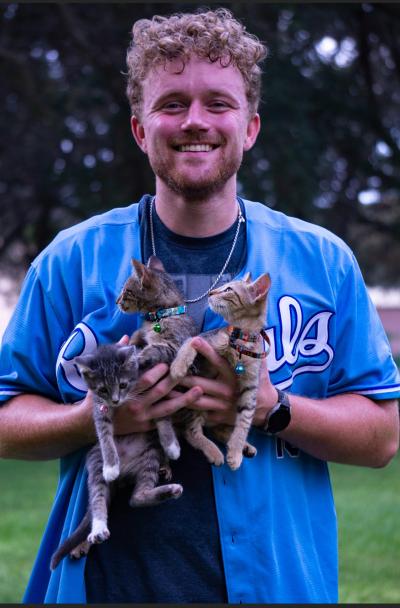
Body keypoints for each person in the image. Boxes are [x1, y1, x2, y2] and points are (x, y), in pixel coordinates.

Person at [0, 8, 399, 604]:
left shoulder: (324, 262)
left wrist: (273, 407)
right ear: (140, 128)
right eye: (171, 104)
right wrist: (101, 417)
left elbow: (382, 436)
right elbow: (6, 417)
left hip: (276, 588)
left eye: (218, 103)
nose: (195, 122)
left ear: (251, 126)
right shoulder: (70, 261)